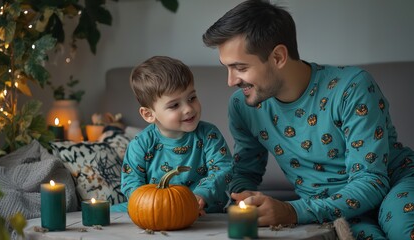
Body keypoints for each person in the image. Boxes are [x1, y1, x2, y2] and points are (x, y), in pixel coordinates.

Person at [202, 0, 414, 239]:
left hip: (395, 186)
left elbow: (371, 180)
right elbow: (244, 173)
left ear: (279, 57)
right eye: (226, 68)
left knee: (403, 229)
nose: (231, 81)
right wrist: (244, 199)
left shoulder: (352, 87)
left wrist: (291, 211)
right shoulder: (243, 105)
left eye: (240, 67)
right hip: (330, 211)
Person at [116, 56, 233, 215]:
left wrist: (200, 195)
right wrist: (147, 205)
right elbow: (131, 183)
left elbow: (223, 169)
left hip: (202, 207)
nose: (188, 109)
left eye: (192, 98)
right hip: (157, 209)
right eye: (175, 105)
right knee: (111, 213)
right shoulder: (140, 144)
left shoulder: (209, 135)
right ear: (149, 114)